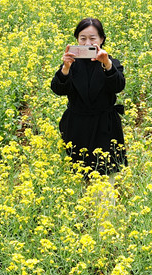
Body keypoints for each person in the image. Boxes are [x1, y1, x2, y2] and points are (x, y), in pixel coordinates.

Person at [51, 18, 127, 178]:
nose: (87, 43)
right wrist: (65, 69)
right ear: (77, 40)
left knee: (106, 175)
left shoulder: (111, 63)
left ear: (102, 39)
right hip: (77, 127)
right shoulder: (71, 64)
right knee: (78, 175)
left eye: (92, 38)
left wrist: (107, 64)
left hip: (105, 126)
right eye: (82, 38)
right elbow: (58, 89)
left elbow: (118, 86)